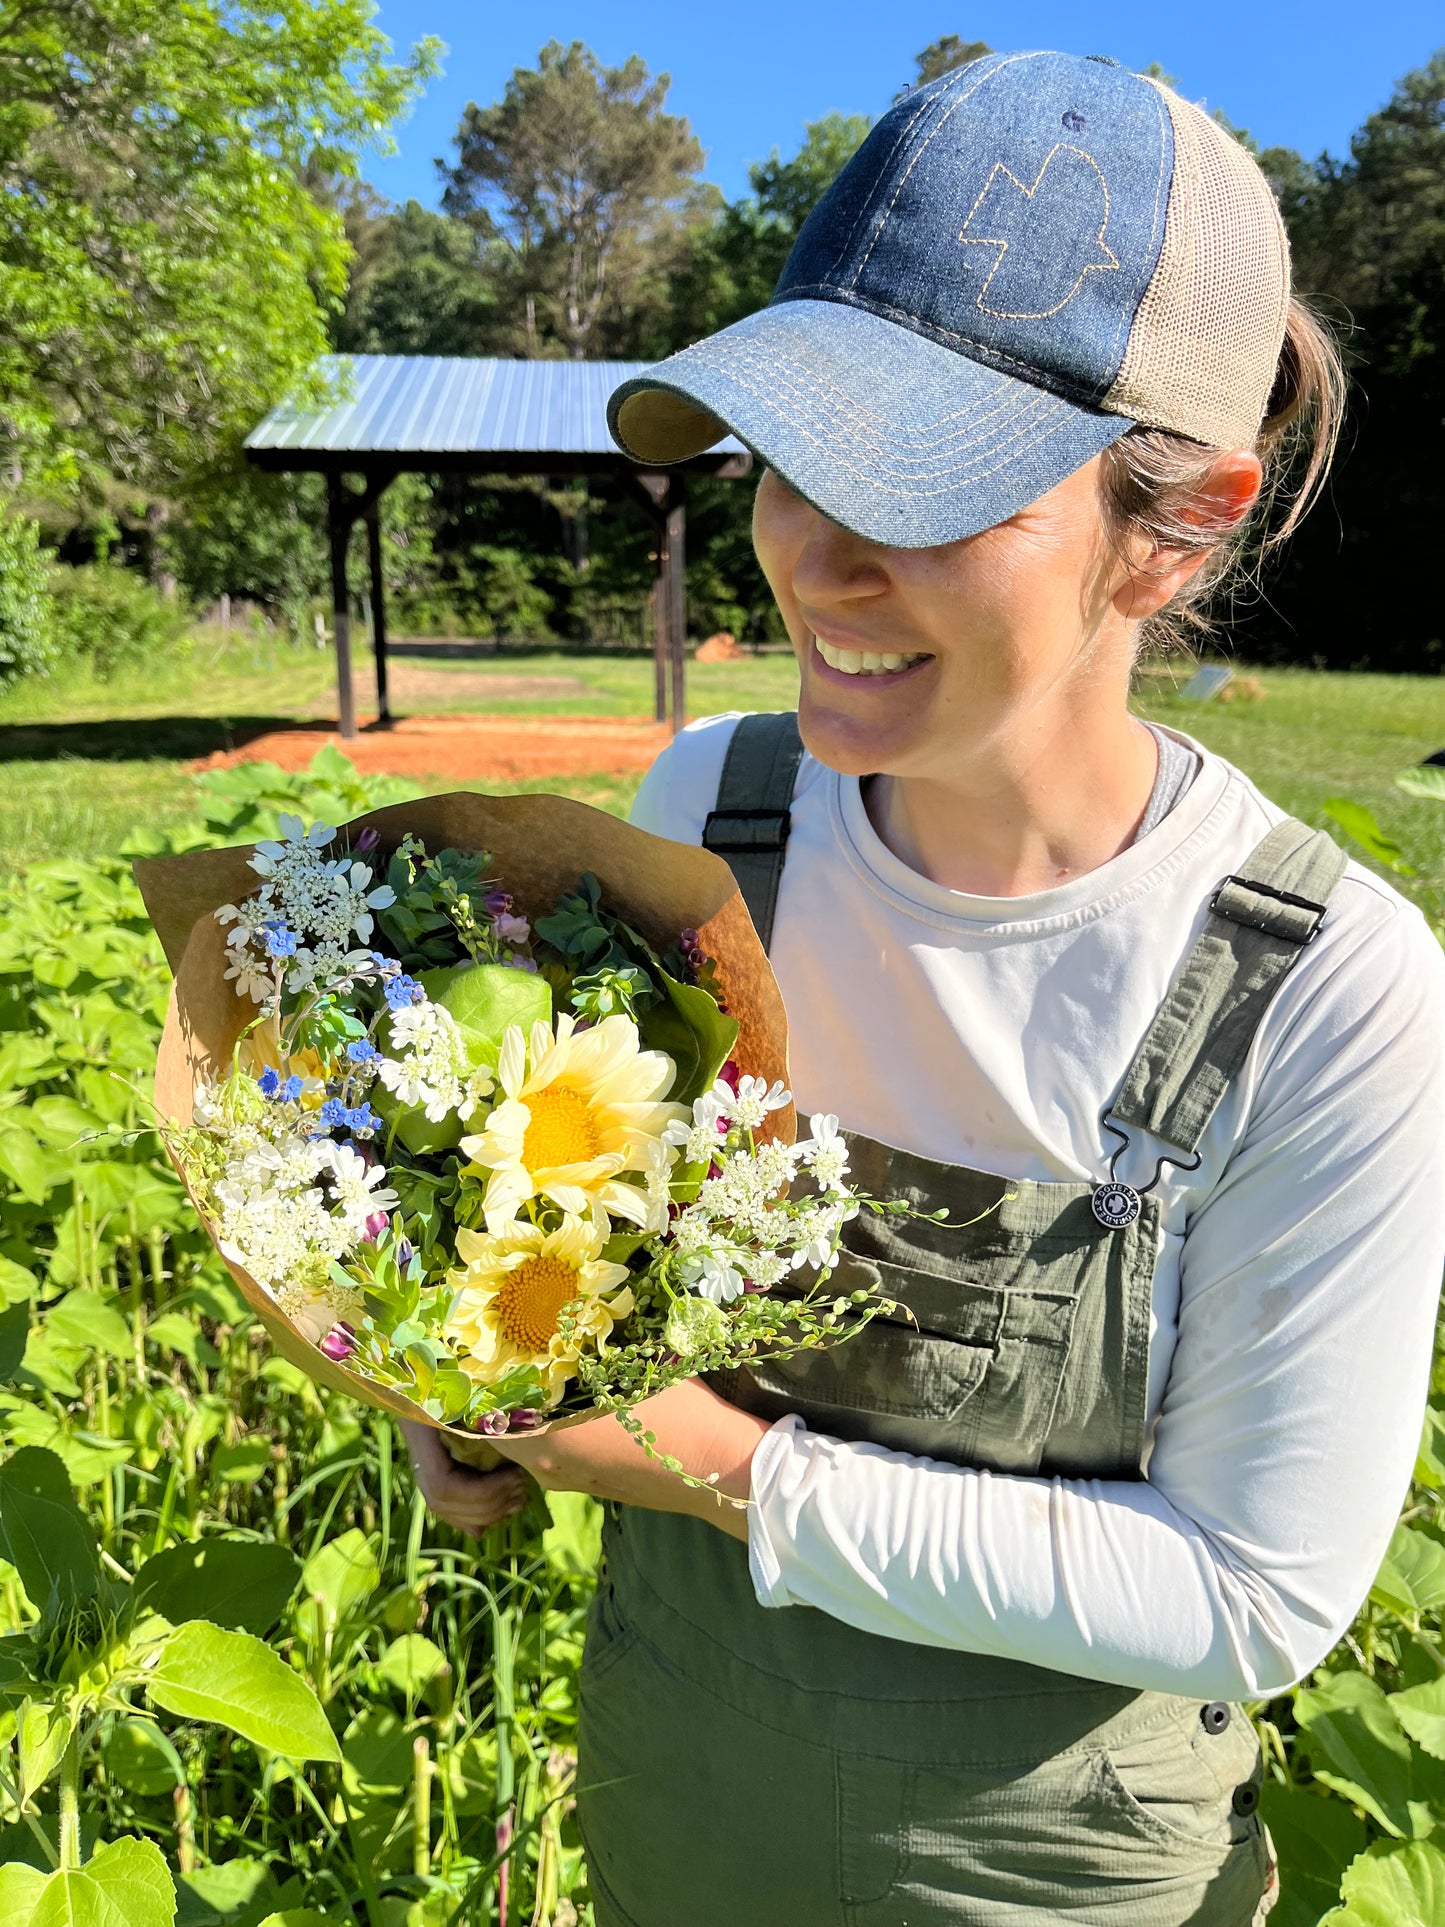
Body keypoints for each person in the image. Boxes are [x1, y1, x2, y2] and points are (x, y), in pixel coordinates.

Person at [404, 49, 1445, 1925]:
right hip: (670, 1804)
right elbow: (593, 1272)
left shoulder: (1324, 982)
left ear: (1184, 521)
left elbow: (1251, 1596)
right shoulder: (706, 816)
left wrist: (707, 1466)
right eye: (786, 462)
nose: (814, 554)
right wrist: (490, 1390)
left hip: (1048, 1881)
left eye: (932, 489)